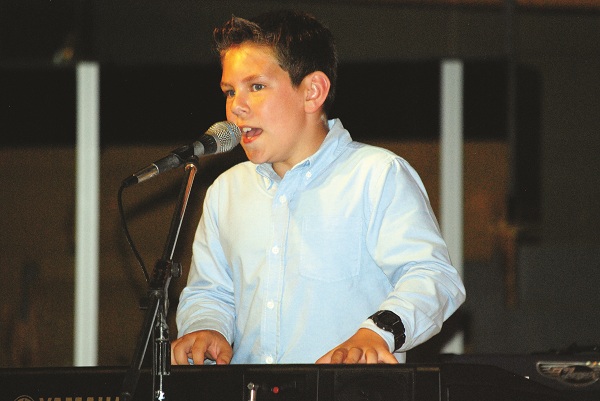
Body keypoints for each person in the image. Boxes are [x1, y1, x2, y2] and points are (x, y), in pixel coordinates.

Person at [171, 9, 465, 365]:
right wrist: (206, 328)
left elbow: (433, 277)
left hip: (348, 388)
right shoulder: (226, 191)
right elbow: (210, 293)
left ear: (312, 92)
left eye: (256, 87)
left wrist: (376, 333)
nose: (237, 108)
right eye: (230, 91)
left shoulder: (376, 175)